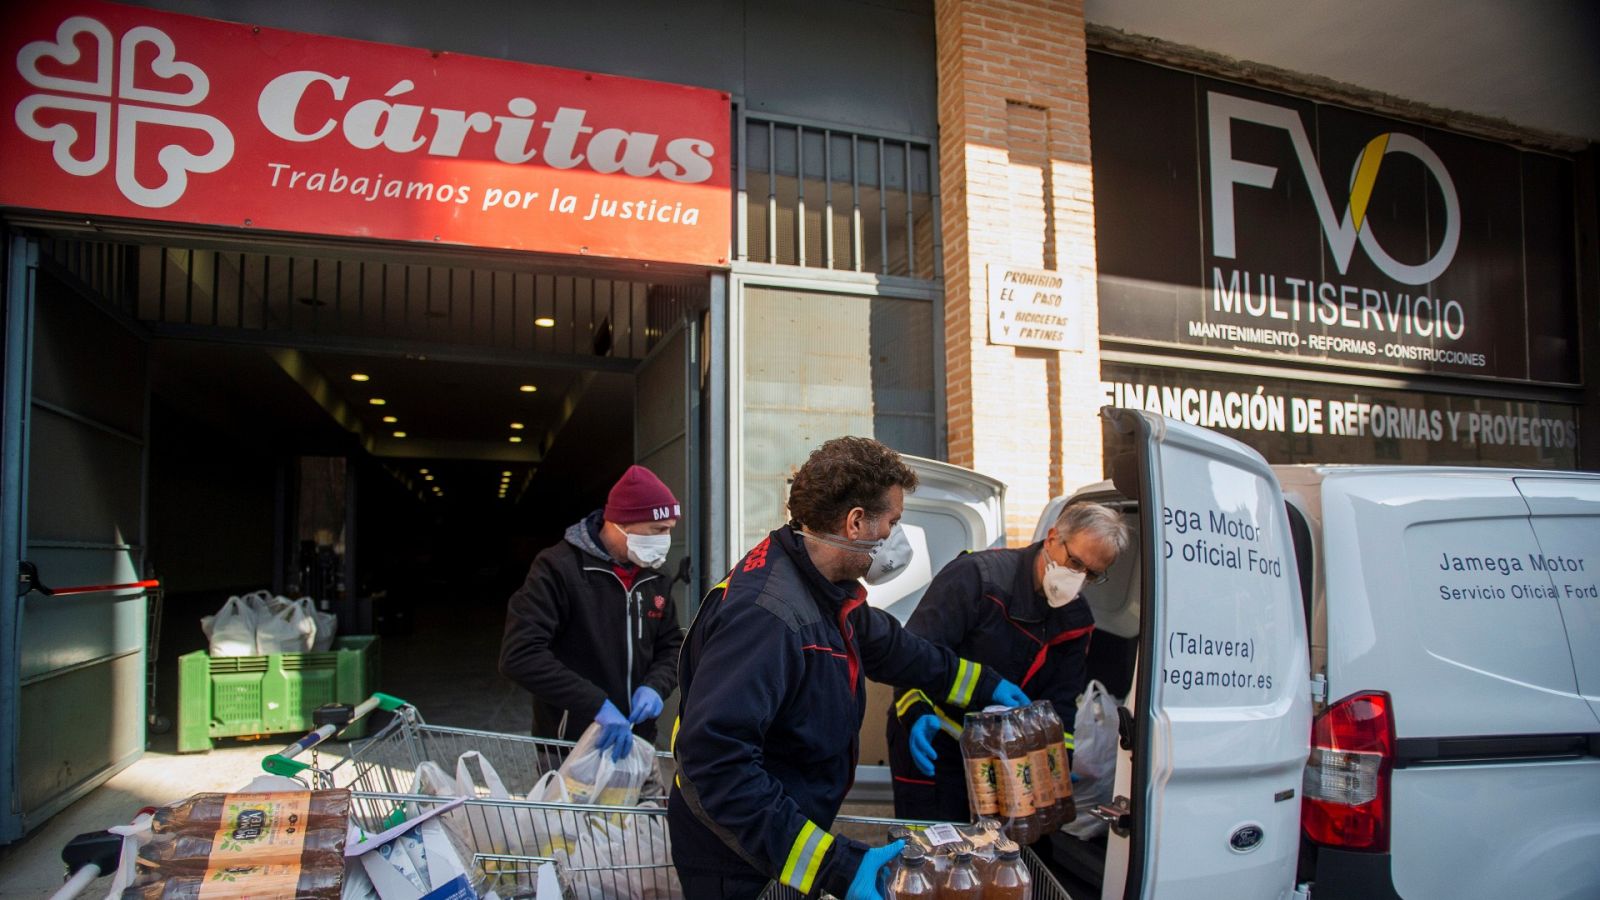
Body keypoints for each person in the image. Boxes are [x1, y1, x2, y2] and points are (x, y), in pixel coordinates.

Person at [668, 437, 1032, 900]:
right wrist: (836, 866)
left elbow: (895, 647)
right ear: (856, 522)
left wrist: (981, 684)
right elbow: (715, 764)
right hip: (737, 853)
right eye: (893, 523)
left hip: (774, 833)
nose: (897, 539)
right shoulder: (768, 617)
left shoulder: (819, 583)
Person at [885, 501, 1131, 824]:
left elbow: (1062, 700)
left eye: (1092, 574)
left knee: (990, 855)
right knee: (934, 850)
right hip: (936, 738)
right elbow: (914, 654)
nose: (1078, 579)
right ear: (1053, 537)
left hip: (999, 759)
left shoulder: (1075, 618)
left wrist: (1060, 758)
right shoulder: (978, 578)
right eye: (1075, 563)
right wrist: (916, 711)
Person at [499, 464, 684, 760]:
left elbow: (672, 646)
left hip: (637, 742)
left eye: (669, 531)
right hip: (573, 745)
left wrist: (655, 686)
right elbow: (520, 655)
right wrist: (596, 705)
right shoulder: (558, 569)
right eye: (657, 530)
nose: (665, 539)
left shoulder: (655, 578)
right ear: (620, 522)